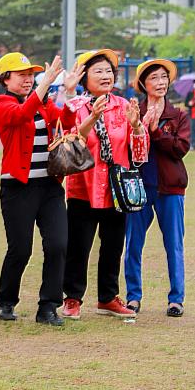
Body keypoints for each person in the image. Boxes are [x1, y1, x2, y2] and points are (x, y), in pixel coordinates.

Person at [62, 49, 149, 320]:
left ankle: (108, 298)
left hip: (116, 190)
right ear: (84, 77)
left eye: (109, 71)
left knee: (113, 245)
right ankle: (72, 299)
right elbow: (69, 144)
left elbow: (140, 154)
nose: (105, 76)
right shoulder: (75, 106)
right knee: (78, 246)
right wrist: (90, 120)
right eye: (98, 71)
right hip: (83, 187)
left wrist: (136, 127)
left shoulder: (124, 106)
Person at [0, 52, 75, 326]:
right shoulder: (2, 102)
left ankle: (48, 306)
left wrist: (70, 93)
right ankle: (6, 299)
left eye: (31, 74)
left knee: (58, 244)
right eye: (22, 75)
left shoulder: (43, 102)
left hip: (50, 185)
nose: (28, 79)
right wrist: (44, 85)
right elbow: (20, 114)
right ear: (7, 79)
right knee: (21, 249)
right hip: (18, 186)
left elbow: (65, 121)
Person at [125, 60, 190, 317]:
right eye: (154, 78)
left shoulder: (178, 116)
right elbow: (126, 150)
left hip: (170, 188)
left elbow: (180, 148)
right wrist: (136, 125)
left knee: (173, 244)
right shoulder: (133, 111)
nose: (161, 82)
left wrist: (155, 131)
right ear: (143, 84)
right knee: (133, 245)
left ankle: (176, 299)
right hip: (138, 188)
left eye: (164, 77)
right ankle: (133, 297)